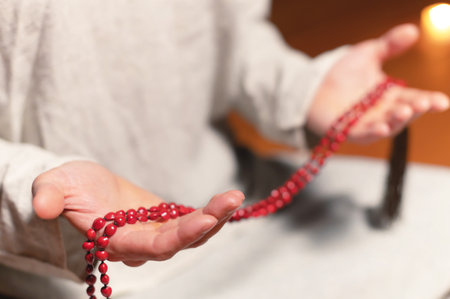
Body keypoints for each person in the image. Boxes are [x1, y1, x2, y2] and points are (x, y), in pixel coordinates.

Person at [0, 0, 448, 298]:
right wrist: (31, 185)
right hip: (70, 266)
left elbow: (224, 30)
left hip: (245, 196)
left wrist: (296, 88)